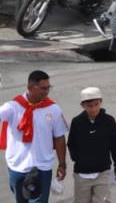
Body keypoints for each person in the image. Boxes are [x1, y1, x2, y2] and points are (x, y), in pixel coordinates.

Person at [0, 71, 67, 203]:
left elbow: (59, 138)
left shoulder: (53, 109)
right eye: (43, 88)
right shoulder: (13, 107)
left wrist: (62, 164)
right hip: (17, 167)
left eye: (49, 87)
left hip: (42, 167)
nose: (47, 91)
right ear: (30, 87)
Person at [67, 87, 116, 203]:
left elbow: (115, 144)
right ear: (83, 105)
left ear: (101, 102)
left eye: (96, 104)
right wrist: (78, 158)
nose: (93, 108)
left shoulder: (109, 121)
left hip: (102, 173)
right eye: (89, 105)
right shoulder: (77, 122)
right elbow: (71, 143)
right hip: (82, 175)